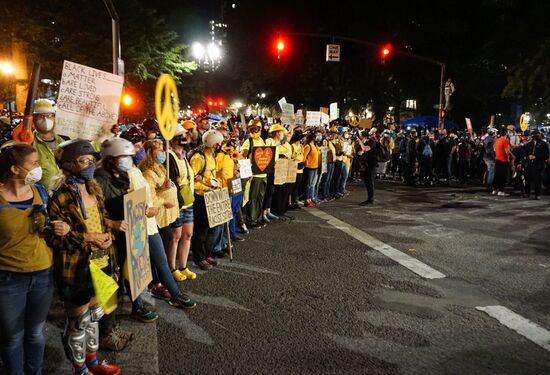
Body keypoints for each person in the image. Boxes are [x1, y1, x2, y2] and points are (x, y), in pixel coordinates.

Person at [47, 139, 121, 375]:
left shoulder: (93, 189)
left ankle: (93, 362)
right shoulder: (60, 196)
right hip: (76, 267)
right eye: (83, 161)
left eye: (92, 160)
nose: (89, 165)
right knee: (77, 321)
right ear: (68, 164)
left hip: (101, 262)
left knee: (94, 316)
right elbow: (56, 237)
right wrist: (89, 237)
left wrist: (109, 230)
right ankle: (79, 369)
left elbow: (100, 218)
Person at [0, 144, 69, 375]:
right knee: (12, 337)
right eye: (34, 163)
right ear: (15, 169)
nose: (39, 167)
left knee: (35, 333)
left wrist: (60, 227)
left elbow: (47, 228)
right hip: (8, 279)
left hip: (43, 274)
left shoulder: (40, 192)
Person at [95, 138, 159, 328]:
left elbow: (130, 200)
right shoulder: (99, 179)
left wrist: (144, 208)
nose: (128, 160)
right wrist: (110, 222)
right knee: (113, 274)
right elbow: (94, 211)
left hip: (126, 230)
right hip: (110, 234)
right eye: (124, 157)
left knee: (131, 267)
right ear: (110, 159)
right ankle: (108, 324)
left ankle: (135, 305)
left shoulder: (121, 175)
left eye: (129, 157)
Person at [138, 140, 196, 308]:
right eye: (159, 149)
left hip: (166, 216)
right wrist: (164, 198)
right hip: (157, 217)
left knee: (161, 250)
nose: (162, 152)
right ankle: (158, 284)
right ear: (149, 152)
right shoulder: (147, 172)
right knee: (159, 254)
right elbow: (150, 198)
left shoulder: (160, 167)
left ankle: (164, 284)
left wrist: (165, 188)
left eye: (163, 149)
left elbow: (160, 189)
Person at [165, 124, 197, 280]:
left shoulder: (184, 155)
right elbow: (171, 180)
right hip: (177, 203)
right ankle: (172, 268)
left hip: (188, 201)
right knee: (175, 236)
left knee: (188, 235)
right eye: (182, 135)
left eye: (186, 135)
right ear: (174, 138)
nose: (185, 137)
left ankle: (183, 266)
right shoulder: (169, 156)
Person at [190, 130, 223, 269]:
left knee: (212, 228)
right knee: (201, 230)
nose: (219, 145)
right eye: (217, 143)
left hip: (212, 195)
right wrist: (206, 187)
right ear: (211, 143)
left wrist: (210, 183)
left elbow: (210, 177)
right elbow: (192, 180)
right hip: (201, 197)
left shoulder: (212, 156)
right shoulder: (198, 158)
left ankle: (207, 254)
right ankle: (199, 257)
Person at [32, 98, 66, 191]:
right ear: (33, 120)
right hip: (41, 197)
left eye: (50, 115)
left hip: (63, 195)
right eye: (40, 116)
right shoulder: (29, 144)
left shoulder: (63, 142)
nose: (46, 119)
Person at [241, 120, 267, 228]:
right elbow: (242, 158)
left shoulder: (262, 140)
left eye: (257, 129)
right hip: (254, 175)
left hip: (263, 174)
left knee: (260, 197)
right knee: (252, 198)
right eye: (252, 129)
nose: (255, 131)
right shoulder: (248, 142)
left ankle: (258, 217)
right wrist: (247, 173)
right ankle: (251, 220)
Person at [262, 124, 287, 221]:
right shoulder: (269, 141)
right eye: (281, 132)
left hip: (275, 169)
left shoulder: (278, 143)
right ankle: (263, 212)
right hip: (268, 170)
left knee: (271, 191)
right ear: (276, 133)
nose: (282, 134)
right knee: (268, 190)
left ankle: (268, 210)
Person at [523, 129, 549, 199]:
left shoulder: (543, 144)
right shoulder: (528, 144)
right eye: (533, 134)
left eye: (536, 134)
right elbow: (525, 153)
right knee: (527, 179)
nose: (535, 135)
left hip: (538, 164)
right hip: (529, 164)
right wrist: (528, 156)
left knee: (537, 180)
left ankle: (537, 194)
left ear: (539, 135)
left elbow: (546, 155)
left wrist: (536, 157)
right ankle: (527, 193)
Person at [357, 130, 379, 205]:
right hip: (366, 165)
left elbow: (365, 149)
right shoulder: (365, 143)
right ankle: (369, 199)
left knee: (370, 182)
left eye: (361, 137)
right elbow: (361, 152)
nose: (360, 139)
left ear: (365, 137)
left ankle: (370, 200)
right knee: (367, 182)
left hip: (372, 165)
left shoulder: (372, 142)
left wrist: (360, 142)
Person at [289, 129, 305, 209]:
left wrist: (303, 163)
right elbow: (290, 157)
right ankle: (291, 202)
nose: (300, 140)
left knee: (297, 187)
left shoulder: (301, 146)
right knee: (292, 186)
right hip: (293, 168)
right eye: (300, 139)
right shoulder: (292, 146)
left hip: (300, 169)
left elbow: (302, 156)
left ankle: (295, 201)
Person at [303, 132, 320, 207]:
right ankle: (307, 200)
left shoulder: (315, 146)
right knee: (308, 185)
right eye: (316, 137)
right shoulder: (308, 146)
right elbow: (303, 157)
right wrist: (306, 161)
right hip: (309, 168)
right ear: (313, 138)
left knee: (312, 184)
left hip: (315, 167)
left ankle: (311, 198)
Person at [493, 128, 511, 196]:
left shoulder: (497, 140)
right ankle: (501, 191)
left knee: (497, 175)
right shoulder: (505, 141)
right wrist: (509, 157)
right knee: (503, 176)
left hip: (497, 159)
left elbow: (495, 150)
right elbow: (507, 152)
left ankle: (494, 190)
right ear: (506, 133)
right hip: (503, 160)